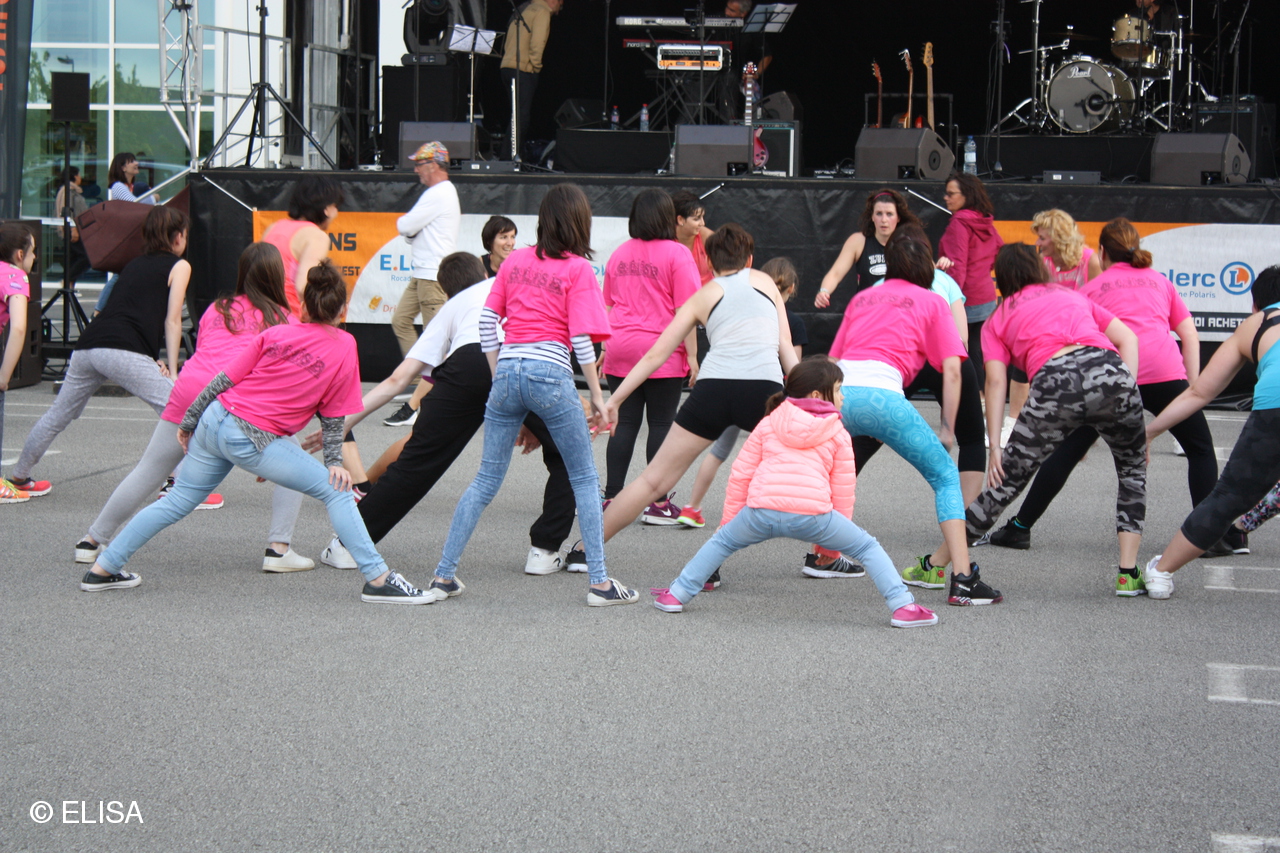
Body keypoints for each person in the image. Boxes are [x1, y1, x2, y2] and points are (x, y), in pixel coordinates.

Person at [79, 261, 435, 604]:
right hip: (251, 436)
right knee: (337, 490)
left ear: (304, 306)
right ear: (342, 310)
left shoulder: (276, 333)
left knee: (175, 501)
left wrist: (189, 423)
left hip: (214, 421)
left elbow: (222, 381)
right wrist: (333, 462)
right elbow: (331, 417)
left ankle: (103, 568)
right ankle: (378, 579)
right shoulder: (344, 346)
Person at [429, 183, 637, 606]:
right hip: (550, 374)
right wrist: (598, 396)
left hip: (507, 371)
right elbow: (581, 340)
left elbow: (487, 323)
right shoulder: (578, 269)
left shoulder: (515, 261)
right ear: (580, 222)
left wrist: (499, 377)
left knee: (485, 480)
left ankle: (443, 575)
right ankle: (600, 583)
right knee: (584, 478)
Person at [314, 252, 582, 577]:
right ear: (484, 272)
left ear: (444, 291)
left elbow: (397, 380)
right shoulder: (510, 284)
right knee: (569, 452)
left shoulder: (451, 308)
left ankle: (348, 546)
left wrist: (341, 426)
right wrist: (539, 410)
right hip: (524, 359)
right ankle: (544, 550)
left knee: (418, 462)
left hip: (468, 364)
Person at [982, 219, 1218, 557]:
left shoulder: (1089, 289)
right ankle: (1209, 535)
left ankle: (1020, 527)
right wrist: (1192, 391)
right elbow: (1189, 335)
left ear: (1103, 252)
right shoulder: (1160, 281)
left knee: (1066, 452)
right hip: (1164, 373)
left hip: (1105, 377)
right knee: (1200, 449)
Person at [922, 243, 1147, 597]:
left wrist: (996, 447)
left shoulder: (997, 319)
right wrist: (1126, 391)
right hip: (1111, 372)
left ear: (1001, 278)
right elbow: (1128, 337)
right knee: (1132, 471)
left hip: (1055, 381)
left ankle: (936, 566)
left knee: (1005, 483)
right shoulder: (1070, 294)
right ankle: (1128, 574)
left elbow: (996, 383)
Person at [72, 243, 312, 571]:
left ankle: (91, 540)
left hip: (190, 390)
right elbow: (279, 381)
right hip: (234, 399)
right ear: (277, 277)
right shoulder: (285, 319)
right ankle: (279, 549)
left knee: (149, 469)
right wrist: (271, 446)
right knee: (295, 464)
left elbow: (206, 352)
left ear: (242, 273)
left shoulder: (218, 308)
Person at [651, 357, 938, 628]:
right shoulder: (838, 431)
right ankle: (902, 606)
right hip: (813, 516)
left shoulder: (768, 422)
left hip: (760, 511)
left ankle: (677, 595)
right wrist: (830, 548)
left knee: (721, 542)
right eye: (839, 390)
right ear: (817, 395)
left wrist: (728, 523)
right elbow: (843, 489)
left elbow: (741, 475)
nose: (843, 397)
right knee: (867, 548)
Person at [590, 223, 798, 565]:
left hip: (713, 389)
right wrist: (808, 399)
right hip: (764, 389)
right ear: (749, 260)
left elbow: (656, 355)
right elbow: (785, 347)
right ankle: (826, 555)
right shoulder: (764, 282)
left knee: (653, 481)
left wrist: (614, 400)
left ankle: (584, 551)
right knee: (810, 468)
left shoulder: (703, 294)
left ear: (710, 264)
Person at [824, 229, 987, 602]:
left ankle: (822, 554)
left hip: (841, 397)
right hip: (884, 400)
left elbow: (832, 361)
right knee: (945, 477)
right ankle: (963, 578)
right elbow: (953, 369)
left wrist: (820, 410)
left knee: (827, 471)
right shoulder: (933, 301)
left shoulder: (863, 297)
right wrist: (947, 429)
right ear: (927, 266)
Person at [8, 206, 191, 497]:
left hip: (89, 346)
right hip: (123, 349)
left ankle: (19, 477)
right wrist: (174, 369)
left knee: (59, 414)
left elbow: (127, 311)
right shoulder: (180, 266)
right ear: (178, 236)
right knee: (180, 410)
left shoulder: (133, 264)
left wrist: (150, 357)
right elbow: (172, 320)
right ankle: (176, 486)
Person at [1142, 266, 1280, 599]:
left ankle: (1160, 572)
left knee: (1228, 497)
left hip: (1274, 408)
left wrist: (1148, 433)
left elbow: (1198, 393)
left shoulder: (1257, 324)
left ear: (1255, 304)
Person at [846, 223, 987, 518]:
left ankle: (831, 503)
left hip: (900, 362)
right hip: (947, 358)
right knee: (972, 438)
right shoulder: (944, 282)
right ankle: (969, 522)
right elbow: (961, 338)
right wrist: (946, 428)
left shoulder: (878, 288)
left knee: (866, 436)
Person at [677, 255, 806, 532]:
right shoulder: (791, 322)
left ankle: (692, 506)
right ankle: (773, 506)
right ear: (791, 289)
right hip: (766, 390)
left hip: (726, 384)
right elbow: (793, 367)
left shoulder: (740, 307)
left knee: (718, 452)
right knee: (775, 452)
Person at [598, 188, 701, 519]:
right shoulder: (678, 253)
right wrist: (693, 357)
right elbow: (687, 312)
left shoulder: (620, 253)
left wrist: (604, 348)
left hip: (619, 345)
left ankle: (611, 498)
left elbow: (608, 305)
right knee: (660, 423)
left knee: (624, 422)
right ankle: (657, 504)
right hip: (661, 349)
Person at [385, 140, 462, 428]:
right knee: (400, 321)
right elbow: (409, 230)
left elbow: (405, 226)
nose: (416, 169)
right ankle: (419, 382)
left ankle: (421, 403)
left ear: (433, 165)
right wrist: (411, 231)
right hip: (423, 273)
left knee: (435, 342)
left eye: (419, 164)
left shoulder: (438, 193)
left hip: (432, 275)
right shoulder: (440, 192)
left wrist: (411, 230)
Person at [937, 172, 1003, 390]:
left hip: (965, 298)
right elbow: (999, 250)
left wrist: (948, 300)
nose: (946, 198)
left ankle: (972, 397)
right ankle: (980, 397)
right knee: (977, 351)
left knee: (961, 353)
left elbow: (957, 266)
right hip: (986, 297)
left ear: (967, 194)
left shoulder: (959, 223)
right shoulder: (984, 220)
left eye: (951, 194)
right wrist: (982, 269)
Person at [814, 188, 923, 308]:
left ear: (898, 218)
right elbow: (835, 273)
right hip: (867, 312)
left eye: (889, 214)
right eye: (879, 213)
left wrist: (938, 267)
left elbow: (929, 274)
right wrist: (824, 291)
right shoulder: (858, 241)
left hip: (898, 312)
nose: (884, 220)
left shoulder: (909, 243)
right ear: (872, 216)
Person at [261, 174, 345, 319]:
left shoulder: (273, 227)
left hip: (258, 313)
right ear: (327, 208)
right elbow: (303, 287)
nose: (337, 213)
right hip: (287, 318)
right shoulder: (315, 236)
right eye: (336, 206)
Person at [500, 0, 564, 160]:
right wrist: (536, 66)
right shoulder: (542, 11)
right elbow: (538, 42)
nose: (559, 10)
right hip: (522, 69)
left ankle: (513, 156)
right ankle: (508, 159)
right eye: (560, 4)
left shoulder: (524, 9)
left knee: (517, 116)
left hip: (507, 67)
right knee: (521, 117)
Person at [0, 223, 35, 503]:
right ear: (20, 254)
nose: (35, 258)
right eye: (33, 252)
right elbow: (20, 327)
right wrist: (4, 375)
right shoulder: (15, 275)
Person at [54, 165, 93, 286]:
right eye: (79, 175)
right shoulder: (68, 191)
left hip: (75, 229)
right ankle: (67, 281)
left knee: (73, 258)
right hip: (72, 229)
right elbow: (67, 211)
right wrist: (73, 229)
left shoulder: (71, 190)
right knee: (86, 257)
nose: (81, 178)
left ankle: (69, 284)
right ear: (75, 176)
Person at [671, 190, 716, 284]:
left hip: (707, 292)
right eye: (696, 219)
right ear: (680, 220)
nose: (702, 223)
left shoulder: (708, 238)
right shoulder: (665, 241)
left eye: (702, 217)